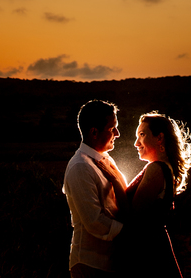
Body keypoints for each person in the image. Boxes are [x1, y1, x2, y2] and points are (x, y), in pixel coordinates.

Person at [120, 112, 191, 278]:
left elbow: (131, 213)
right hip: (155, 248)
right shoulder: (164, 168)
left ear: (159, 138)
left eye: (142, 135)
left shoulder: (156, 169)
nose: (136, 143)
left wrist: (113, 177)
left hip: (149, 254)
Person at [64, 100, 128, 277]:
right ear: (94, 132)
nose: (117, 134)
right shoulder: (80, 166)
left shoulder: (106, 160)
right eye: (112, 128)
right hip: (90, 263)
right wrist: (130, 233)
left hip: (109, 262)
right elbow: (94, 221)